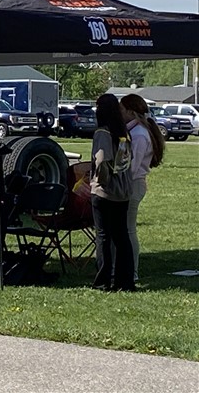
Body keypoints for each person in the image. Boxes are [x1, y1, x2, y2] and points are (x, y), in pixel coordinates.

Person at [90, 94, 134, 292]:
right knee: (122, 237)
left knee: (103, 236)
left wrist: (100, 181)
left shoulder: (102, 132)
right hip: (123, 190)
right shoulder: (123, 132)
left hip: (105, 191)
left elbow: (101, 160)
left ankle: (103, 281)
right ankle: (125, 281)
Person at [119, 93, 165, 282]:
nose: (120, 113)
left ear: (130, 111)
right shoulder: (137, 131)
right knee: (126, 228)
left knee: (129, 229)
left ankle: (132, 271)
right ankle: (126, 268)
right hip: (134, 183)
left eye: (122, 110)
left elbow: (133, 165)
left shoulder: (138, 135)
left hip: (133, 184)